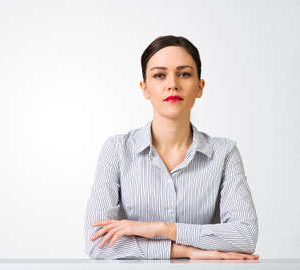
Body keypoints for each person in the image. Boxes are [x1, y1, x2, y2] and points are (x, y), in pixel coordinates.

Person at [84, 35, 259, 260]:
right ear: (144, 88)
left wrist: (161, 229)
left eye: (184, 74)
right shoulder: (117, 150)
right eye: (159, 75)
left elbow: (245, 236)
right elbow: (97, 242)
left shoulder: (224, 153)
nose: (172, 84)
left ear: (200, 86)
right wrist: (186, 251)